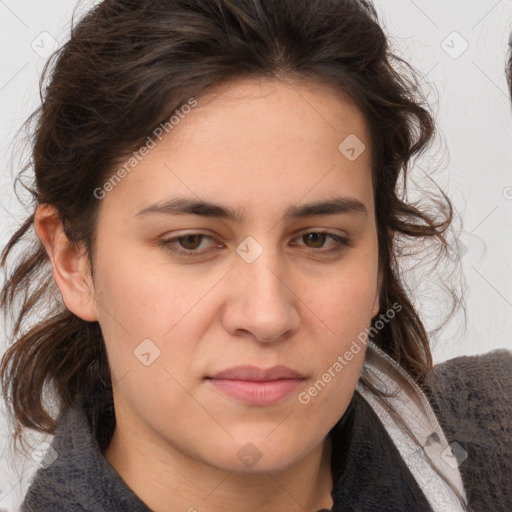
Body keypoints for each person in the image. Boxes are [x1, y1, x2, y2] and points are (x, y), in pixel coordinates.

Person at [1, 1, 511, 511]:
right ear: (73, 263)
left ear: (381, 259)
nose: (267, 316)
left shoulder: (495, 439)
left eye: (318, 239)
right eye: (192, 241)